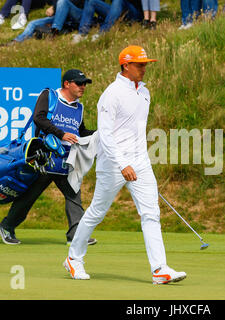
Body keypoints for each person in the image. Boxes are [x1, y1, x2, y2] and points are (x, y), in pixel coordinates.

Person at [63, 46, 187, 284]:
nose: (144, 69)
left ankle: (159, 269)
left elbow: (137, 131)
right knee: (97, 212)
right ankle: (73, 258)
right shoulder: (111, 94)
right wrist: (122, 164)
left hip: (140, 162)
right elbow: (107, 135)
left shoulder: (145, 92)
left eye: (145, 64)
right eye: (139, 65)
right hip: (113, 162)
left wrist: (139, 161)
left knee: (151, 213)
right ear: (125, 66)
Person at [0, 69, 97, 247]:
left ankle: (76, 235)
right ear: (67, 83)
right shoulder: (49, 95)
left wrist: (100, 134)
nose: (83, 87)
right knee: (29, 197)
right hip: (43, 158)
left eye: (84, 84)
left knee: (74, 196)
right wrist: (61, 134)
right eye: (79, 83)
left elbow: (80, 132)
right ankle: (7, 226)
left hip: (66, 160)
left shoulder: (79, 107)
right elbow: (39, 118)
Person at [1, 0, 89, 46]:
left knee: (63, 1)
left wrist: (54, 8)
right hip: (61, 15)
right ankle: (17, 41)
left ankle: (53, 32)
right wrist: (53, 7)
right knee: (33, 23)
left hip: (78, 14)